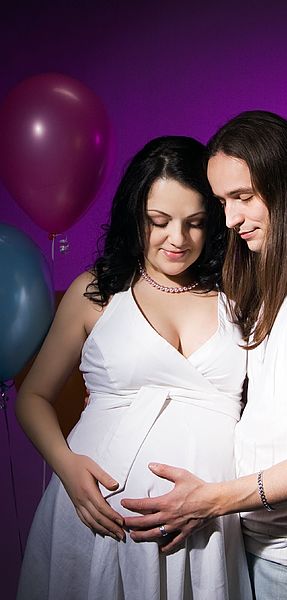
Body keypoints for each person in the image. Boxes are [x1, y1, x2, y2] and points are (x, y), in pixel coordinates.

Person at [122, 112, 287, 600]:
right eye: (222, 201)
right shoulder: (282, 274)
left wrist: (212, 501)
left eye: (243, 198)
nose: (230, 219)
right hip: (268, 551)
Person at [15, 136, 253, 600]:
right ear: (134, 217)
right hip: (98, 516)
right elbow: (33, 397)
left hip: (209, 521)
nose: (178, 240)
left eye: (196, 223)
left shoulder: (240, 294)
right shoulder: (96, 294)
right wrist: (68, 470)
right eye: (159, 222)